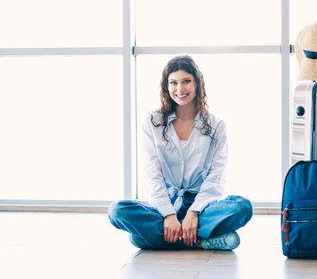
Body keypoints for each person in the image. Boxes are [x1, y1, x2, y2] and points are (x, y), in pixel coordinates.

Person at [108, 55, 253, 250]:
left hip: (201, 208)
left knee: (242, 207)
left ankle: (161, 238)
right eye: (173, 83)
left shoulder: (217, 126)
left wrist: (193, 212)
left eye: (186, 81)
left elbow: (216, 176)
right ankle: (199, 241)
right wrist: (168, 214)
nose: (180, 89)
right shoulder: (153, 123)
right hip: (165, 205)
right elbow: (153, 174)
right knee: (117, 211)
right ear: (166, 87)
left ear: (197, 83)